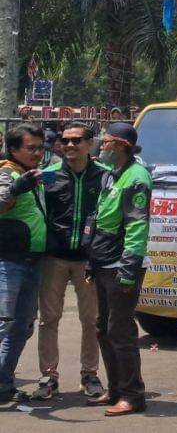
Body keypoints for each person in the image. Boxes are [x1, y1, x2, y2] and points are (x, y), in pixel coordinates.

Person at [32, 122, 106, 401]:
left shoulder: (105, 176)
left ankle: (89, 375)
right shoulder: (48, 176)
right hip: (54, 258)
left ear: (90, 143)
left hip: (88, 260)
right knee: (48, 319)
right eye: (65, 141)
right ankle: (48, 376)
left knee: (91, 320)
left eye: (76, 140)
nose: (70, 145)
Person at [85, 121, 152, 416]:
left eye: (107, 141)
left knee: (120, 331)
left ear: (122, 146)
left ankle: (132, 395)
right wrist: (92, 259)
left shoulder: (136, 178)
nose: (102, 146)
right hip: (103, 261)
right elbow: (101, 218)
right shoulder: (111, 174)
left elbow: (137, 226)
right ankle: (114, 390)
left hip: (120, 265)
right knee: (104, 329)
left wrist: (128, 269)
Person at [0, 123, 47, 404]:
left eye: (40, 148)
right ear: (13, 149)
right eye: (31, 148)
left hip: (33, 261)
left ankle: (3, 384)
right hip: (8, 262)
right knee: (3, 323)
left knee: (22, 326)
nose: (37, 153)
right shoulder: (6, 173)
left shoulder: (32, 175)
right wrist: (16, 188)